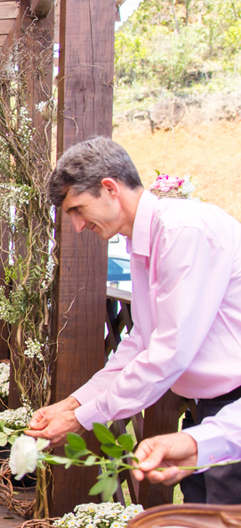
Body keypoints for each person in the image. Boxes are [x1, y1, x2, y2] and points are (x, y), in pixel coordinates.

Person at [27, 136, 241, 503]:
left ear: (110, 188)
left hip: (232, 410)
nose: (77, 225)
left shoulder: (182, 231)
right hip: (205, 411)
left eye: (78, 209)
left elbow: (169, 352)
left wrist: (84, 418)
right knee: (199, 526)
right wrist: (73, 403)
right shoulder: (146, 238)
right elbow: (141, 341)